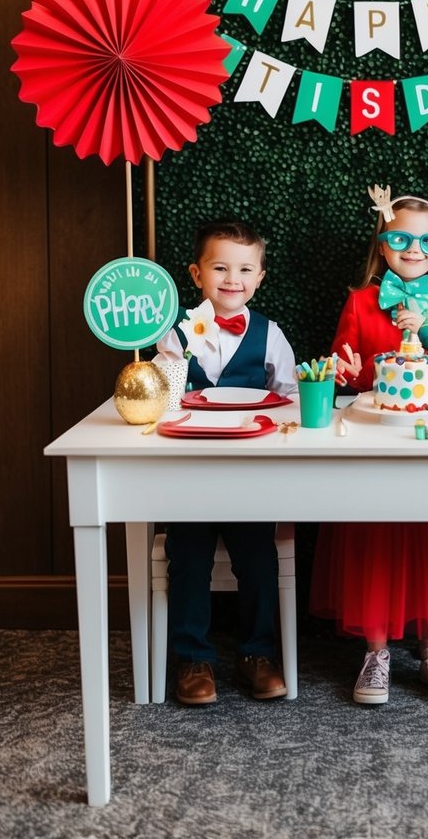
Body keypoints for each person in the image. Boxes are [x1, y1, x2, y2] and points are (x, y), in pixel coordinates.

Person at [310, 185, 428, 705]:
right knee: (374, 531)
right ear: (383, 245)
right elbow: (344, 366)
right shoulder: (360, 301)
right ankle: (376, 651)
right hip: (372, 440)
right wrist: (347, 370)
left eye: (426, 241)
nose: (413, 249)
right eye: (400, 238)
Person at [154, 219, 297, 706]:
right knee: (188, 560)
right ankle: (193, 658)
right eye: (220, 267)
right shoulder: (173, 334)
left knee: (257, 559)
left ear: (259, 277)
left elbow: (292, 398)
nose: (232, 279)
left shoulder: (269, 334)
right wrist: (162, 366)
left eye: (244, 269)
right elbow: (158, 395)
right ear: (197, 274)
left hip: (249, 475)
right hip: (187, 475)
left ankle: (258, 653)